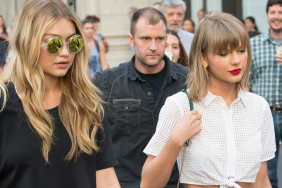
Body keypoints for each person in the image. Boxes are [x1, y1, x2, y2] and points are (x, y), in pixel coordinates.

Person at [141, 12, 275, 188]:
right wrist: (176, 140)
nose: (236, 60)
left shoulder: (258, 106)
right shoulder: (180, 105)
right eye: (223, 53)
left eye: (241, 51)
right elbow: (149, 184)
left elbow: (262, 180)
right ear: (204, 57)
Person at [0, 0, 120, 188]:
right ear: (27, 42)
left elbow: (106, 180)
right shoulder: (3, 103)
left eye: (73, 42)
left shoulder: (89, 106)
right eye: (54, 43)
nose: (65, 52)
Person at [93, 7, 188, 188]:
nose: (153, 46)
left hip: (177, 184)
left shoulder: (188, 81)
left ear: (166, 39)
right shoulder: (107, 83)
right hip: (126, 183)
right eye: (145, 38)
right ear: (131, 40)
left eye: (159, 39)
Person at [249, 0, 282, 187]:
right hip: (265, 114)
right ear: (267, 15)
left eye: (280, 12)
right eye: (273, 12)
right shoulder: (254, 44)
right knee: (267, 169)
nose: (276, 16)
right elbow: (247, 82)